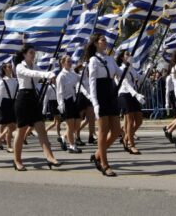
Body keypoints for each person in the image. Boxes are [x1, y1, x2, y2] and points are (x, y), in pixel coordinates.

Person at [12, 46, 62, 171]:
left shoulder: (35, 66)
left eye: (34, 52)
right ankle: (17, 160)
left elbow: (39, 76)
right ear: (24, 54)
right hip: (23, 98)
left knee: (41, 129)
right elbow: (32, 74)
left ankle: (50, 157)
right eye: (31, 52)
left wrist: (51, 68)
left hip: (34, 98)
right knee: (21, 131)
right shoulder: (20, 66)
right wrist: (46, 74)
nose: (33, 55)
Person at [87, 33, 123, 177]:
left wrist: (128, 65)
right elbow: (92, 82)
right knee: (103, 131)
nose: (105, 42)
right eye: (102, 40)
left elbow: (120, 73)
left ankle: (97, 155)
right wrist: (94, 103)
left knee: (116, 131)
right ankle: (104, 164)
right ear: (96, 43)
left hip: (111, 93)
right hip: (101, 94)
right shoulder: (93, 60)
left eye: (105, 40)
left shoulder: (110, 58)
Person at [116, 50, 145, 155]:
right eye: (127, 55)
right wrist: (136, 94)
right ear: (122, 58)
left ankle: (126, 137)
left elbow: (139, 79)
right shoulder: (120, 69)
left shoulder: (132, 69)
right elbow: (125, 83)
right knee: (130, 120)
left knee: (139, 120)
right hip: (125, 94)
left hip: (133, 94)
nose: (130, 56)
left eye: (130, 54)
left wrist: (147, 70)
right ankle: (131, 145)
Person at [56, 55, 82, 153]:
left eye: (71, 61)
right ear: (62, 63)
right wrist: (61, 104)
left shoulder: (72, 73)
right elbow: (59, 92)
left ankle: (63, 137)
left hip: (73, 100)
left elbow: (81, 78)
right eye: (68, 61)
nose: (70, 63)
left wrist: (85, 69)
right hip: (66, 101)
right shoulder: (61, 76)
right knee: (71, 126)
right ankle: (72, 146)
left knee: (77, 125)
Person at [0, 62, 17, 152]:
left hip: (13, 103)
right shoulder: (2, 81)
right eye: (9, 67)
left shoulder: (15, 80)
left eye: (11, 66)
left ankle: (0, 138)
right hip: (5, 104)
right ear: (4, 69)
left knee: (12, 126)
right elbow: (0, 96)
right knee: (10, 126)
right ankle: (8, 146)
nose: (10, 68)